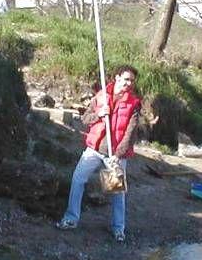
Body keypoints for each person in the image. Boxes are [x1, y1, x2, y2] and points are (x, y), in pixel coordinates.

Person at [56, 65, 142, 242]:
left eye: (132, 80)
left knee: (116, 192)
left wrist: (118, 155)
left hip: (115, 154)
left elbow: (130, 133)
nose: (129, 83)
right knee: (78, 180)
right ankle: (71, 219)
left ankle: (118, 228)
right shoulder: (101, 96)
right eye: (126, 79)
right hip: (94, 150)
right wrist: (99, 114)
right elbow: (85, 119)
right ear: (117, 78)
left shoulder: (133, 103)